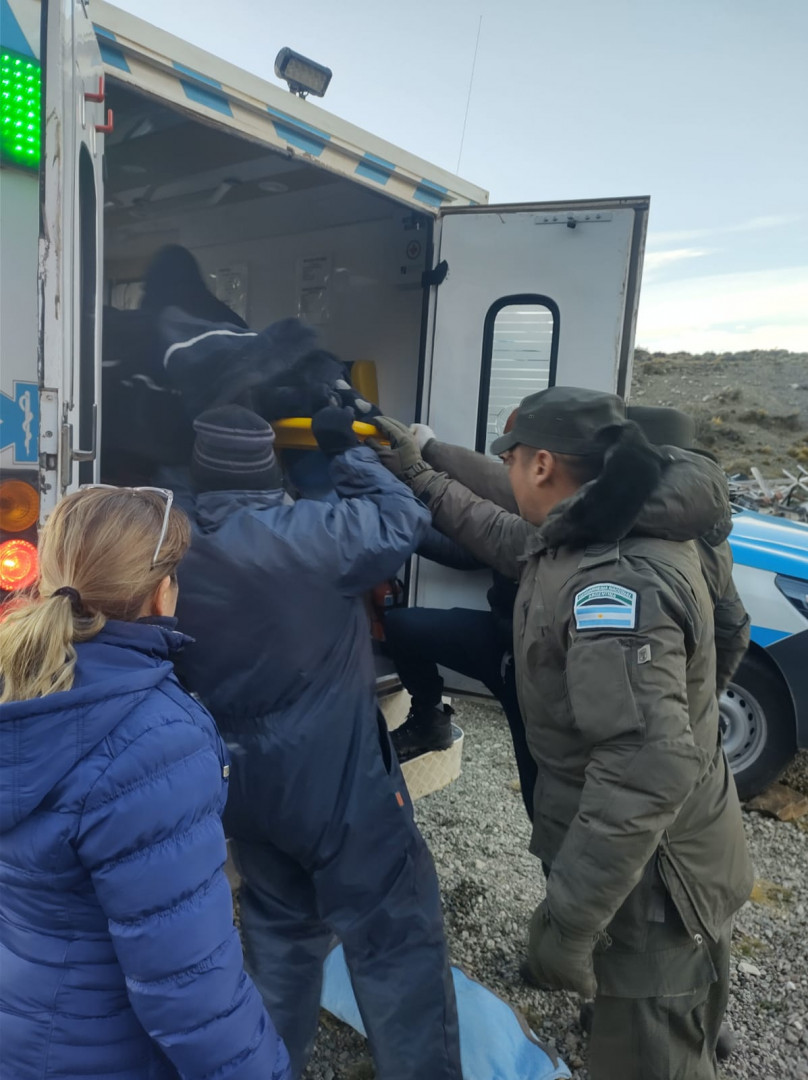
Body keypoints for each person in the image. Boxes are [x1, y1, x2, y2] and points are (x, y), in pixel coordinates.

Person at [373, 387, 754, 1080]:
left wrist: (569, 924)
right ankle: (686, 1022)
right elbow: (730, 631)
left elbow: (646, 769)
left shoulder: (616, 580)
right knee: (679, 979)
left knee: (656, 1030)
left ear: (543, 465)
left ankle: (674, 1030)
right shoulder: (616, 528)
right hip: (680, 837)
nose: (506, 471)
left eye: (510, 460)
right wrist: (420, 472)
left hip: (655, 875)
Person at [171, 405, 462, 1080]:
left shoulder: (173, 546)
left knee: (279, 939)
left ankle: (267, 1068)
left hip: (242, 791)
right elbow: (404, 516)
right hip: (342, 790)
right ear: (268, 467)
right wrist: (346, 452)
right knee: (396, 942)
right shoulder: (317, 534)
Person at [0, 487, 290, 1080]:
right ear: (162, 593)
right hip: (95, 1056)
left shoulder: (19, 685)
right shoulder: (157, 740)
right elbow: (191, 987)